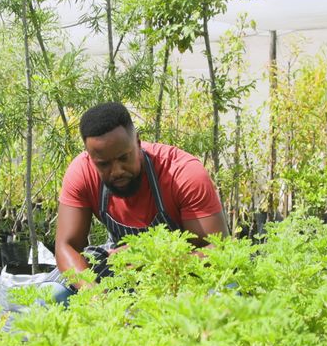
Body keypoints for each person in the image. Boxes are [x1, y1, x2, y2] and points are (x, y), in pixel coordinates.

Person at [46, 101, 228, 302]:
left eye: (124, 158)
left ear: (138, 143)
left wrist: (152, 258)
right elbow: (66, 246)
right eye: (104, 164)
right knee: (51, 296)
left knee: (224, 291)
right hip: (123, 267)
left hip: (182, 273)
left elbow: (218, 250)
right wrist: (94, 296)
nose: (117, 171)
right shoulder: (81, 173)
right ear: (90, 159)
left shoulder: (183, 174)